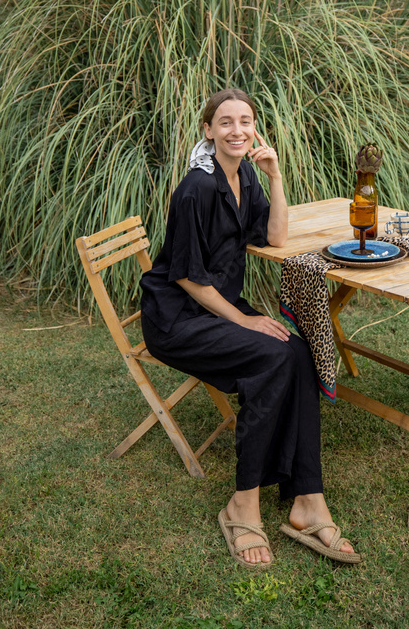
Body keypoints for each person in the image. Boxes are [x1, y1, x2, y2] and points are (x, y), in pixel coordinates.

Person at [140, 87, 360, 568]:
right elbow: (185, 276)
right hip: (178, 318)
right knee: (273, 356)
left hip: (214, 308)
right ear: (208, 130)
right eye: (225, 122)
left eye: (245, 121)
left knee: (297, 353)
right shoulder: (196, 188)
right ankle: (243, 501)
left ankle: (307, 499)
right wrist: (244, 318)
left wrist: (275, 174)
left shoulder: (243, 176)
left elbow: (276, 235)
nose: (237, 130)